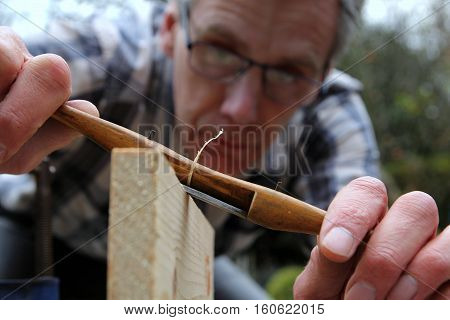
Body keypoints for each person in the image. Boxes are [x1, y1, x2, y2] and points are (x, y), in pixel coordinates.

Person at [0, 0, 448, 299]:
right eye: (219, 51)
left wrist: (387, 271)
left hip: (192, 264)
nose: (241, 109)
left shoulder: (334, 117)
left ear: (323, 74)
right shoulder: (105, 51)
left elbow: (357, 224)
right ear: (171, 29)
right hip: (45, 236)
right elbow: (28, 65)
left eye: (290, 72)